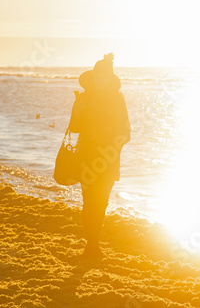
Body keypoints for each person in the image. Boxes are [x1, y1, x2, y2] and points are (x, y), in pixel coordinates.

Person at [69, 53, 130, 259]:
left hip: (109, 159)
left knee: (101, 202)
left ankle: (93, 243)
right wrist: (77, 113)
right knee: (89, 201)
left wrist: (112, 149)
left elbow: (126, 132)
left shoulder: (118, 99)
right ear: (93, 78)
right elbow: (74, 128)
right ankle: (92, 245)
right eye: (97, 77)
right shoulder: (83, 98)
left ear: (110, 79)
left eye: (103, 77)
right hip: (86, 156)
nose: (99, 80)